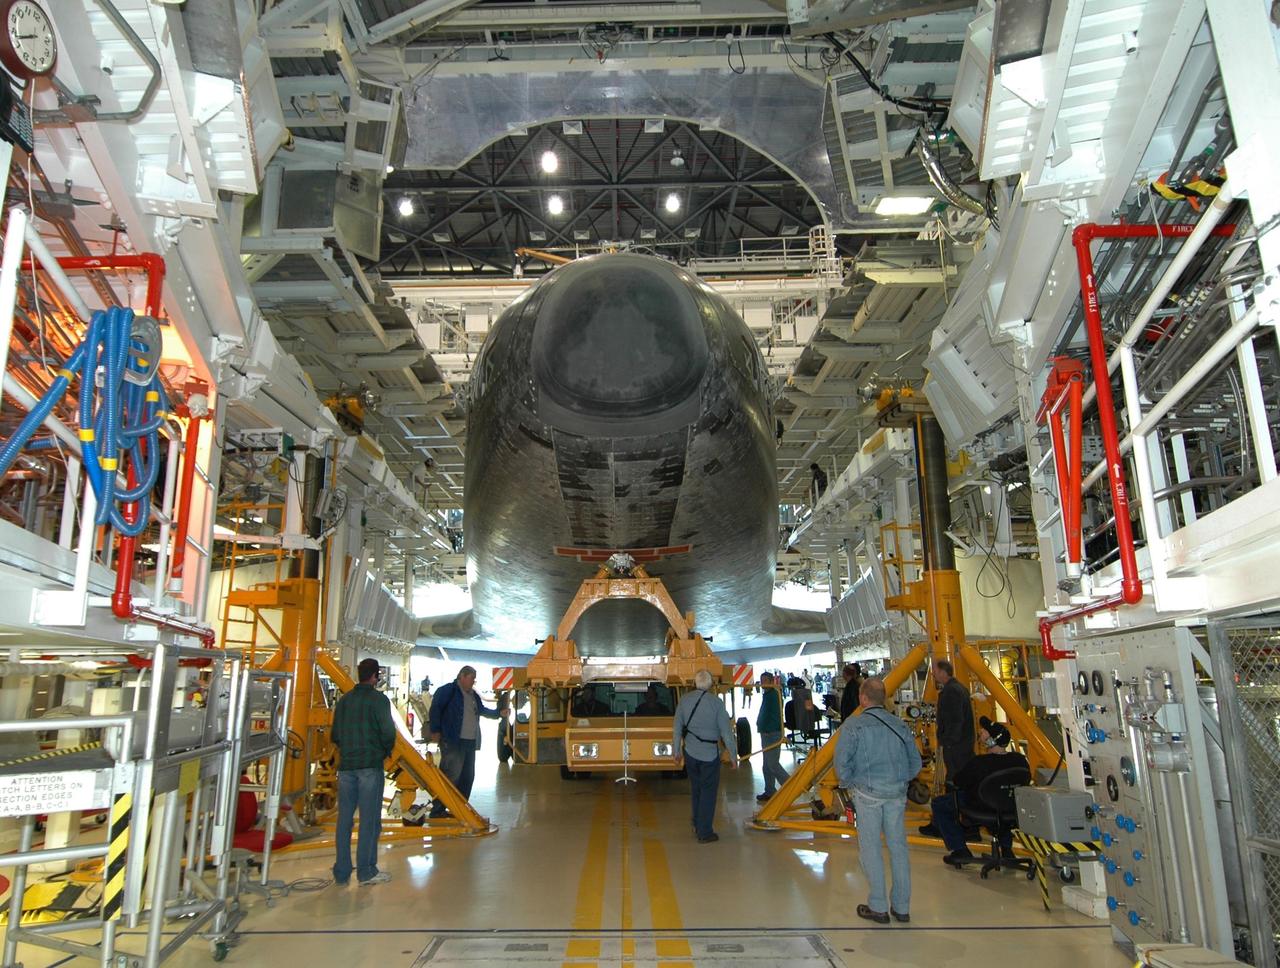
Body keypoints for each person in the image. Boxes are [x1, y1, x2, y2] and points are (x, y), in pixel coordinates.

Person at [834, 677, 922, 925]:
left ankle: (878, 906)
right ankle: (902, 907)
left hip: (867, 794)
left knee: (870, 848)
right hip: (895, 795)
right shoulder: (899, 724)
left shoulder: (854, 726)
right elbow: (915, 761)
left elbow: (841, 764)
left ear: (863, 698)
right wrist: (901, 782)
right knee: (898, 849)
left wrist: (849, 784)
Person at [331, 658, 395, 886]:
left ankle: (341, 872)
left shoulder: (345, 700)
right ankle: (366, 871)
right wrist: (384, 751)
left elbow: (335, 734)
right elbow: (388, 732)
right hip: (370, 765)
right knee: (369, 820)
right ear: (375, 676)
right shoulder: (379, 700)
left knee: (344, 820)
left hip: (347, 768)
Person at [930, 716, 1030, 864]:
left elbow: (959, 781)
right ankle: (1007, 850)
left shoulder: (979, 763)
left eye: (984, 733)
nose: (980, 735)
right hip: (1011, 809)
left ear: (991, 740)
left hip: (981, 807)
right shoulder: (1020, 760)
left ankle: (959, 850)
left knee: (939, 804)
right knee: (1003, 800)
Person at [427, 666, 506, 818]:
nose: (473, 682)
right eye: (471, 678)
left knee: (467, 776)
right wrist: (435, 730)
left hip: (470, 742)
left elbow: (482, 710)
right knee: (451, 775)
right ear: (462, 677)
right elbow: (435, 709)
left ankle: (459, 807)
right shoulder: (448, 691)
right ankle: (438, 810)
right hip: (453, 740)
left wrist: (498, 713)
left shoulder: (473, 695)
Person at [673, 670, 738, 843]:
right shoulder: (716, 703)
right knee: (708, 792)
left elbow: (677, 728)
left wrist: (676, 752)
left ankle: (696, 822)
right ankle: (705, 832)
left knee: (696, 788)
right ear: (710, 684)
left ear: (695, 683)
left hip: (691, 753)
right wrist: (733, 755)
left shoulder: (684, 701)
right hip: (709, 754)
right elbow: (726, 732)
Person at [933, 659, 975, 778]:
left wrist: (948, 742)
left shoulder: (951, 691)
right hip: (964, 743)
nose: (934, 674)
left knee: (955, 777)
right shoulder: (960, 688)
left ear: (943, 673)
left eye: (936, 672)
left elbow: (955, 720)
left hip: (956, 746)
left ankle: (955, 797)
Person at [755, 671, 789, 802]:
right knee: (766, 765)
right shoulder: (768, 694)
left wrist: (762, 724)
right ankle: (769, 791)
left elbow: (770, 715)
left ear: (770, 681)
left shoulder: (773, 695)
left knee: (772, 764)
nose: (762, 683)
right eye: (761, 680)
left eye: (765, 680)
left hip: (772, 733)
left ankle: (789, 786)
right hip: (766, 733)